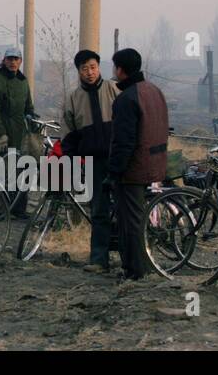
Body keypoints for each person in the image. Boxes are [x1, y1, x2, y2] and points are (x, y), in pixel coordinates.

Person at [106, 48, 169, 281]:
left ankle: (135, 270)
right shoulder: (154, 91)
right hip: (156, 162)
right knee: (140, 218)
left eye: (115, 67)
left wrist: (113, 172)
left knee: (131, 221)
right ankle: (142, 265)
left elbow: (124, 141)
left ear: (120, 70)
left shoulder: (126, 99)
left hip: (134, 169)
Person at [61, 49, 120, 273]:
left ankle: (129, 258)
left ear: (99, 67)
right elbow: (68, 132)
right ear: (78, 72)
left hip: (118, 158)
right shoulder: (73, 98)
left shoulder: (114, 89)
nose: (89, 72)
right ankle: (99, 259)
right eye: (84, 68)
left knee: (124, 208)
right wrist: (71, 160)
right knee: (98, 210)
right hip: (93, 162)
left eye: (93, 67)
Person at [0, 48, 36, 217]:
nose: (13, 62)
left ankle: (19, 209)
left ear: (20, 61)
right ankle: (3, 209)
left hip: (20, 134)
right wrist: (0, 133)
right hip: (2, 135)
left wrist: (32, 118)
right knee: (1, 171)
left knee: (22, 170)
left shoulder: (23, 81)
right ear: (4, 60)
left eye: (16, 59)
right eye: (10, 59)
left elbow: (29, 106)